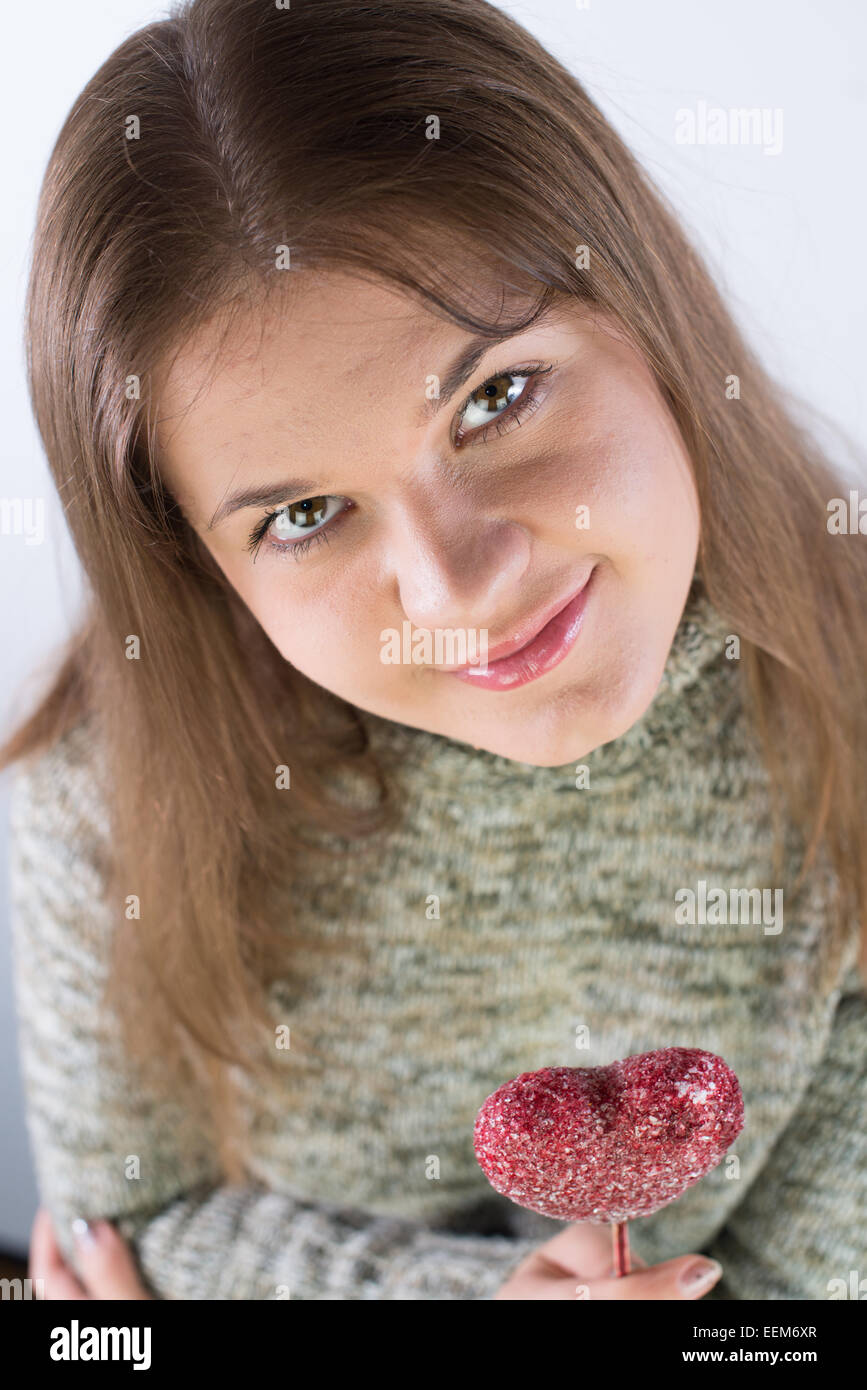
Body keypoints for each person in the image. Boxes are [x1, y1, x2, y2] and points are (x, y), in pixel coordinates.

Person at [4, 0, 865, 1301]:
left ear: (642, 299)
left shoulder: (846, 687)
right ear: (201, 563)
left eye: (496, 396)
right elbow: (113, 1266)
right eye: (303, 515)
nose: (458, 584)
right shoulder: (103, 799)